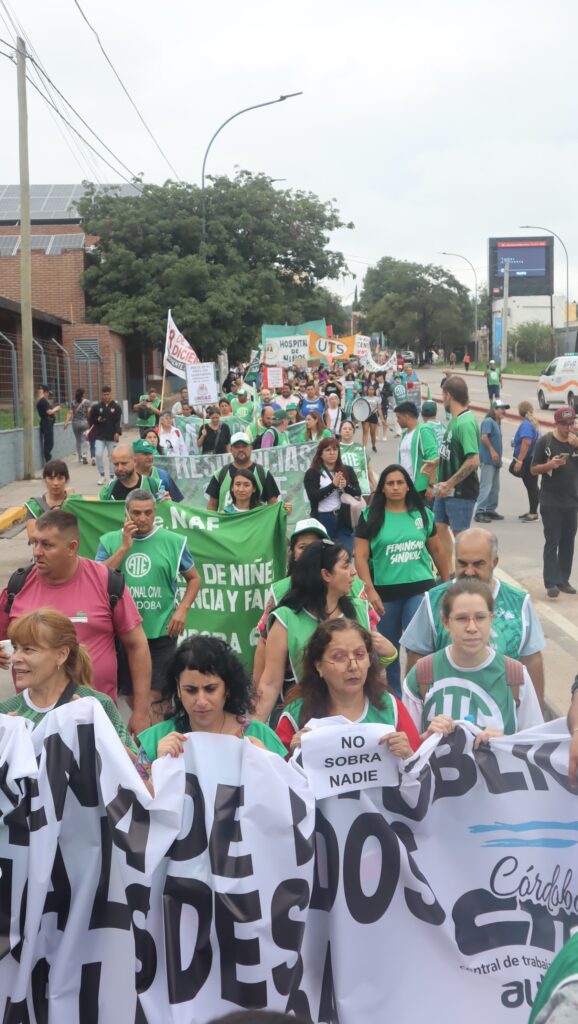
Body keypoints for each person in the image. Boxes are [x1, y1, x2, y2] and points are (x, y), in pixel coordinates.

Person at [0, 509, 151, 732]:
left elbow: (137, 646)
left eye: (47, 545)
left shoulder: (107, 583)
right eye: (34, 543)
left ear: (72, 547)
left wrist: (141, 711)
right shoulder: (18, 586)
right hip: (32, 723)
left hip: (96, 722)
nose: (37, 552)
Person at [400, 527, 545, 706]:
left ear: (494, 562)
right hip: (446, 713)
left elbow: (532, 659)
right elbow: (417, 656)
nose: (469, 571)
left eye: (478, 564)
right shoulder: (434, 600)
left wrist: (536, 713)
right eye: (462, 563)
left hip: (503, 714)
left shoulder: (519, 603)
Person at [255, 540, 396, 723]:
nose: (353, 572)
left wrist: (389, 655)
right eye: (345, 566)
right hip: (307, 716)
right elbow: (270, 684)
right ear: (326, 574)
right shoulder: (285, 619)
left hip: (358, 715)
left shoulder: (360, 610)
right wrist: (253, 729)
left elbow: (371, 668)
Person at [96, 489, 200, 703]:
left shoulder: (174, 542)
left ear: (155, 512)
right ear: (126, 513)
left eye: (148, 513)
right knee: (132, 697)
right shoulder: (109, 541)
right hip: (123, 632)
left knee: (156, 698)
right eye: (136, 513)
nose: (142, 518)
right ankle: (145, 725)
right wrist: (124, 548)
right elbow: (97, 579)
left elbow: (194, 579)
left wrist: (182, 610)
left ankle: (155, 725)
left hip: (161, 631)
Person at [355, 464, 450, 698]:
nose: (395, 487)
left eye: (400, 483)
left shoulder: (423, 514)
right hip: (384, 594)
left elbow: (437, 550)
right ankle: (395, 699)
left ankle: (420, 693)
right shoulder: (370, 516)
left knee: (419, 646)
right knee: (388, 651)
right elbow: (360, 557)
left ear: (408, 486)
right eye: (390, 483)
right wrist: (370, 590)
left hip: (420, 589)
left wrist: (447, 585)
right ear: (383, 488)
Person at [403, 578, 543, 736]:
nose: (471, 627)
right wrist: (426, 737)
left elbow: (535, 743)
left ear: (491, 619)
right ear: (446, 623)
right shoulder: (421, 674)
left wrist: (503, 741)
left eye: (480, 617)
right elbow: (406, 746)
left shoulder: (516, 676)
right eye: (461, 618)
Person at [136, 635, 286, 778]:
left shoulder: (262, 737)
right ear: (178, 689)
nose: (201, 701)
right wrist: (159, 768)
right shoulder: (155, 741)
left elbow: (289, 791)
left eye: (210, 689)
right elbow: (136, 794)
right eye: (191, 690)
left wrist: (268, 765)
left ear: (227, 688)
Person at [0, 608, 137, 753]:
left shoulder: (97, 704)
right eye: (15, 648)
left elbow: (137, 764)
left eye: (28, 649)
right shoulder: (6, 711)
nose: (15, 658)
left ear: (61, 655)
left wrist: (98, 731)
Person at [276, 619, 421, 755]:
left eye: (360, 654)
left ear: (370, 660)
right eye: (339, 657)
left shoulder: (390, 707)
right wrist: (293, 754)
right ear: (318, 666)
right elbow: (275, 770)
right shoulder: (295, 715)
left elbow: (421, 767)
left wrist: (409, 755)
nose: (353, 666)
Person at [426, 375, 480, 566]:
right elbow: (453, 451)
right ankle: (447, 572)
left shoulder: (465, 423)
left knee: (461, 537)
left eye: (443, 396)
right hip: (444, 490)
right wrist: (436, 461)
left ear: (448, 395)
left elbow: (473, 460)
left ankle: (469, 574)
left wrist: (450, 483)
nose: (443, 400)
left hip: (460, 492)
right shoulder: (455, 421)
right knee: (438, 528)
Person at [531, 405, 578, 598]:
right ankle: (551, 582)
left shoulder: (575, 441)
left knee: (568, 541)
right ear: (556, 423)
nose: (569, 427)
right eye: (565, 424)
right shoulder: (545, 442)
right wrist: (549, 465)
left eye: (572, 423)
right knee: (553, 541)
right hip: (550, 501)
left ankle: (563, 580)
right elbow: (533, 469)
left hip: (572, 500)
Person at [304, 438, 362, 553]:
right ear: (320, 453)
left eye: (335, 450)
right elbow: (313, 497)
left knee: (345, 554)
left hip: (344, 517)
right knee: (326, 555)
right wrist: (333, 486)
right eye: (328, 450)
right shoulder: (312, 473)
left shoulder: (347, 470)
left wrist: (346, 485)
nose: (332, 453)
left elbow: (357, 492)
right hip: (323, 518)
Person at [206, 433, 280, 511]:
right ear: (231, 449)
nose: (241, 449)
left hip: (256, 519)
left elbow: (274, 506)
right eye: (237, 447)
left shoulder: (263, 473)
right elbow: (212, 506)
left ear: (251, 448)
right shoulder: (220, 474)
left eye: (244, 446)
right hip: (227, 518)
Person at [395, 400, 439, 502]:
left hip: (422, 489)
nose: (397, 420)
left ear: (406, 417)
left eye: (398, 417)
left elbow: (434, 458)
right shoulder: (405, 434)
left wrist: (431, 486)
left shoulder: (423, 431)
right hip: (407, 487)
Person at [474, 400, 509, 523]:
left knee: (495, 488)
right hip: (488, 460)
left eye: (504, 408)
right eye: (501, 408)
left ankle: (490, 509)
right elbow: (484, 437)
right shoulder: (488, 421)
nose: (503, 411)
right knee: (486, 486)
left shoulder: (497, 423)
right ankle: (480, 511)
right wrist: (492, 451)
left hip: (495, 461)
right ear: (494, 409)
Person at [25, 459, 75, 542]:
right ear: (44, 480)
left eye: (60, 478)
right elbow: (32, 537)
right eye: (51, 478)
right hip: (45, 550)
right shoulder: (35, 505)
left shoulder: (74, 502)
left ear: (66, 480)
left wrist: (72, 500)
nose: (55, 483)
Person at [511, 400, 541, 522]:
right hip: (531, 458)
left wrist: (519, 461)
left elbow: (526, 443)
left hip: (528, 460)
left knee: (532, 486)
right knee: (530, 486)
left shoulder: (526, 425)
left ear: (520, 412)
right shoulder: (531, 423)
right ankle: (532, 510)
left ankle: (533, 513)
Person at [90, 385, 122, 485]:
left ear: (111, 394)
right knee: (98, 455)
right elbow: (92, 420)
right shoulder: (96, 407)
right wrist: (97, 420)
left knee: (112, 457)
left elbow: (118, 421)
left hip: (111, 436)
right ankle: (102, 475)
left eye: (108, 394)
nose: (106, 396)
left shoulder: (116, 407)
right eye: (104, 394)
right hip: (99, 435)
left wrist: (117, 432)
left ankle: (112, 476)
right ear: (102, 395)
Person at [64, 387, 91, 463]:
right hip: (85, 423)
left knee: (78, 440)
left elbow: (70, 413)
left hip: (75, 423)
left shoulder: (72, 403)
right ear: (83, 394)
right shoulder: (87, 402)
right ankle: (84, 454)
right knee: (84, 439)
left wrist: (66, 422)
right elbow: (89, 413)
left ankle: (80, 457)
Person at [36, 384, 61, 464]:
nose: (49, 395)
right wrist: (56, 409)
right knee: (49, 441)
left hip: (46, 422)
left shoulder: (41, 400)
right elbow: (49, 412)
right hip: (47, 422)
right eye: (48, 393)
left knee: (48, 441)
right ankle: (48, 459)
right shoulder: (43, 400)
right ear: (45, 392)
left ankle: (48, 458)